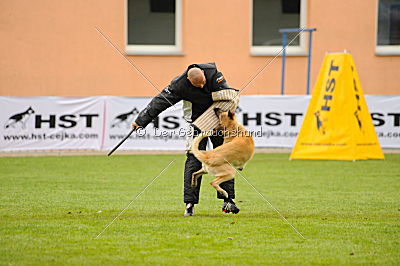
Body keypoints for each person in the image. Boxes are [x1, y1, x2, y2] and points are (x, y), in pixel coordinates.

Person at [131, 63, 239, 216]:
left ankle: (228, 200)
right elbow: (159, 102)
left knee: (224, 158)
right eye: (197, 84)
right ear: (189, 80)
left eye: (203, 82)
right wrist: (141, 120)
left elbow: (228, 97)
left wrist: (225, 121)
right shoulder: (179, 85)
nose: (202, 86)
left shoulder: (214, 75)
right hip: (196, 123)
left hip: (219, 122)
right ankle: (190, 203)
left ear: (203, 74)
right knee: (194, 160)